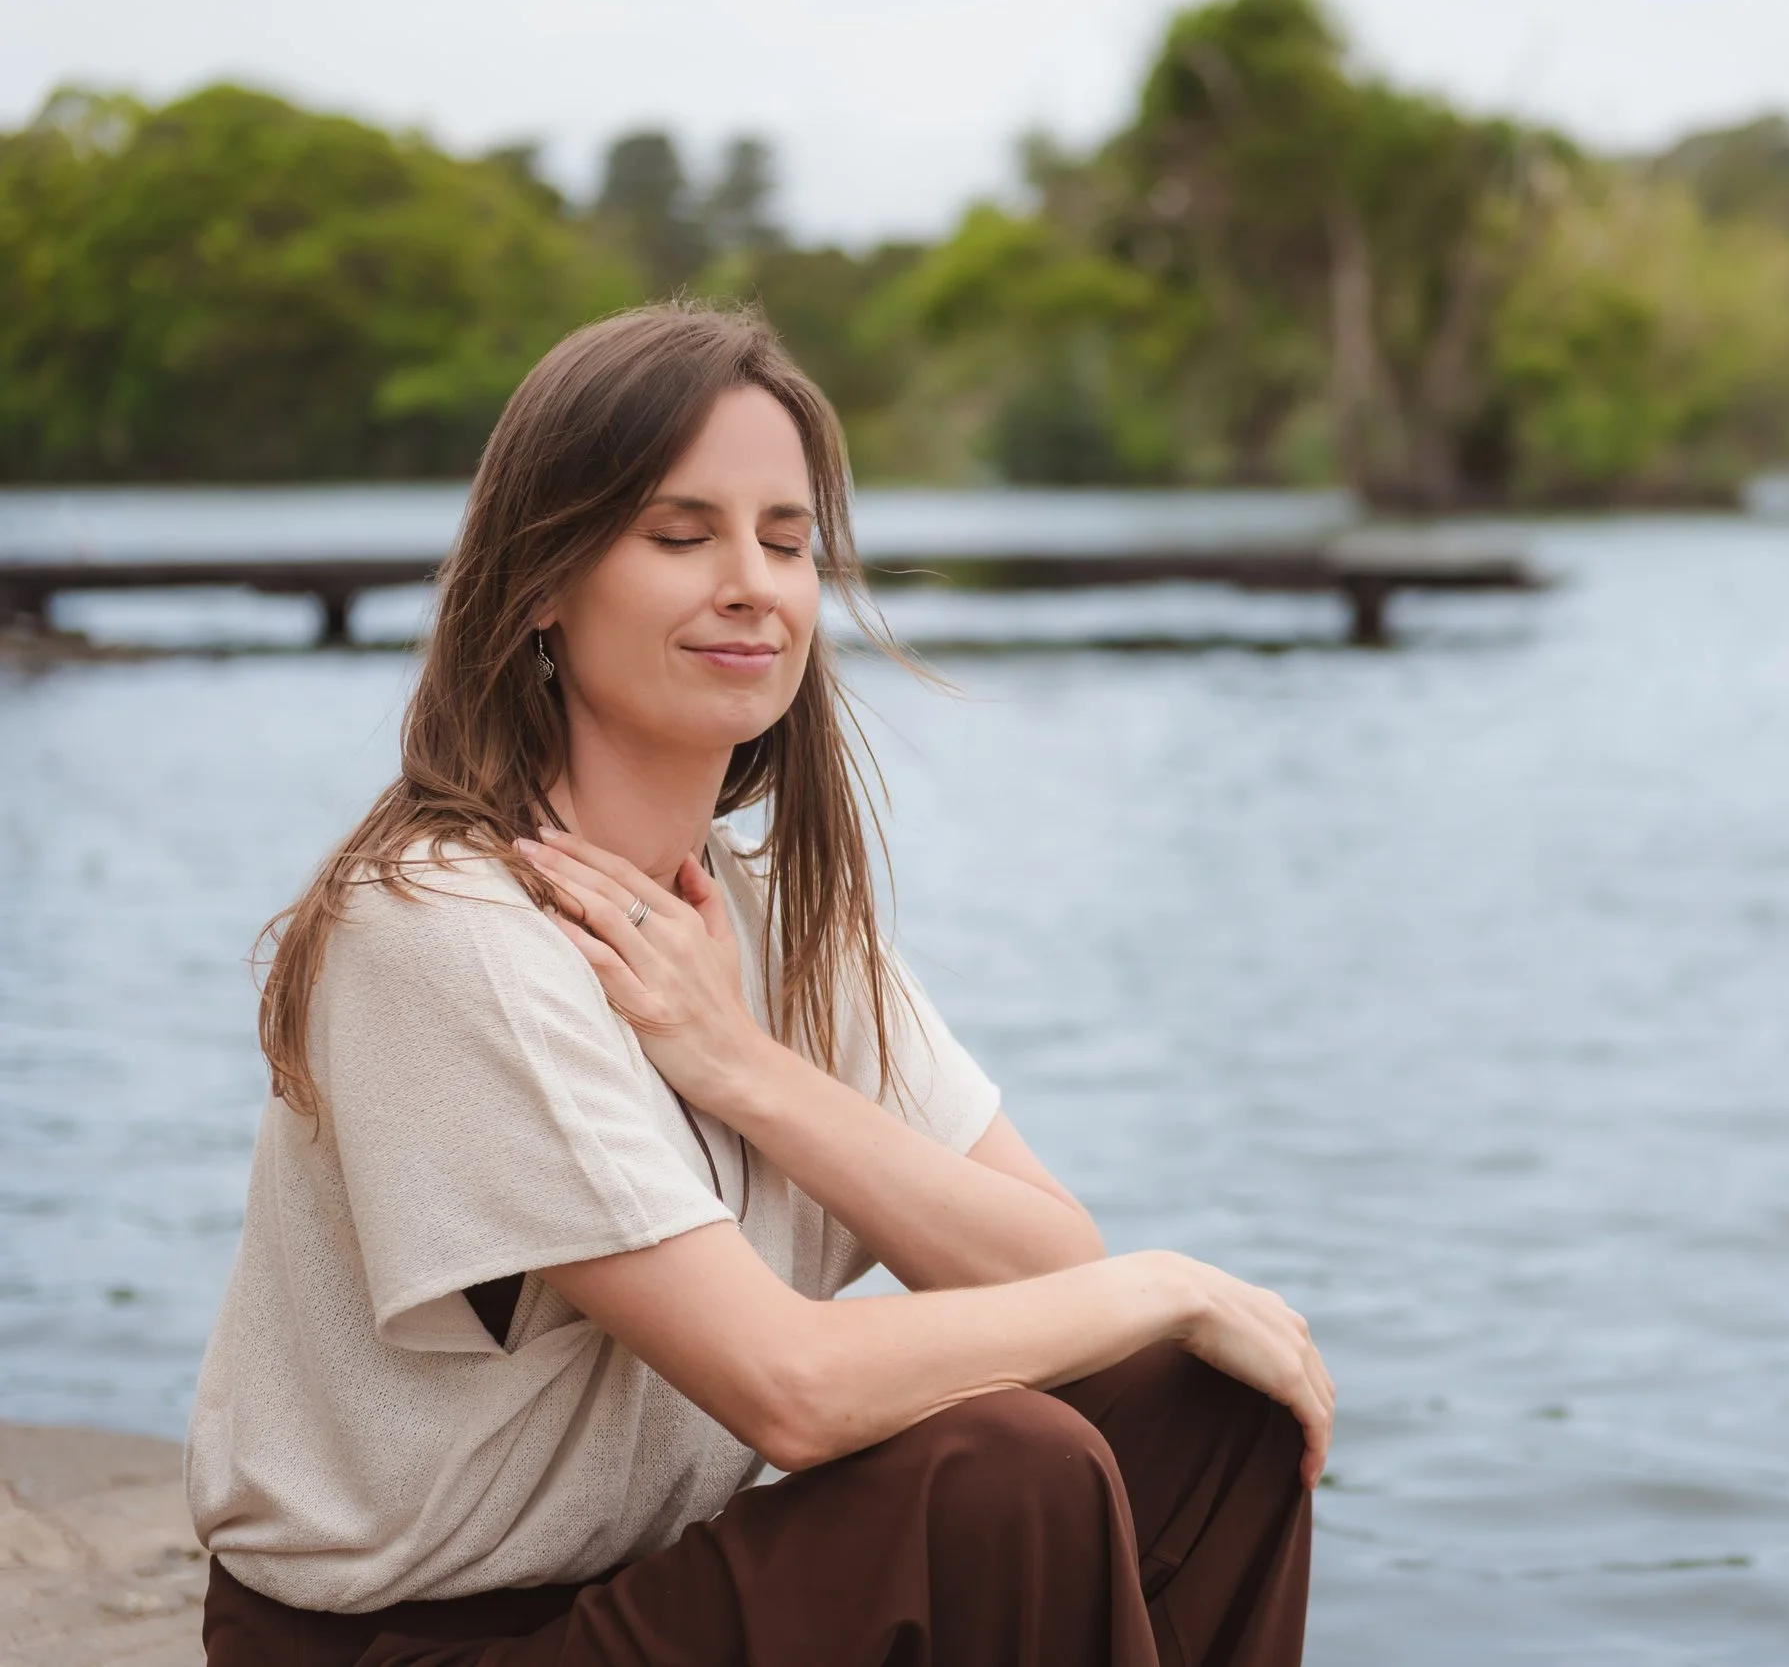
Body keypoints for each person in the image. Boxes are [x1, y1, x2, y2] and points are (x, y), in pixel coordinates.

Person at [186, 301, 1332, 1667]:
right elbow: (788, 1392)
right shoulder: (440, 935)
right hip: (411, 1647)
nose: (755, 586)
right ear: (541, 582)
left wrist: (745, 1070)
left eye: (786, 542)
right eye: (682, 537)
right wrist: (1176, 1282)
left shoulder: (770, 917)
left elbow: (1047, 1268)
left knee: (1202, 1408)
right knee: (1005, 1475)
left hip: (637, 1594)